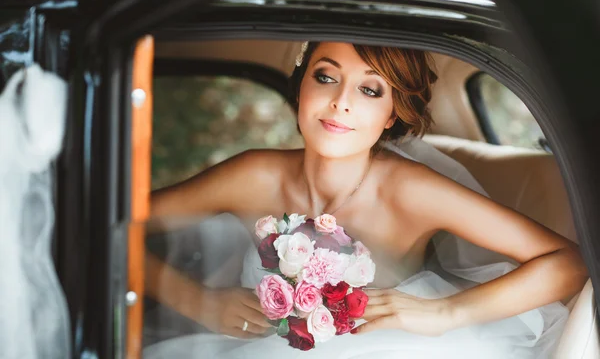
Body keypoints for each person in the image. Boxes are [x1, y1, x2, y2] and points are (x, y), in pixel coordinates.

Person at [143, 42, 588, 358]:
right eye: (326, 77)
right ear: (301, 88)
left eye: (369, 90)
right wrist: (194, 300)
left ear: (392, 112)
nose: (340, 102)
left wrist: (444, 313)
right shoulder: (253, 176)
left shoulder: (410, 190)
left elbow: (567, 262)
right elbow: (115, 223)